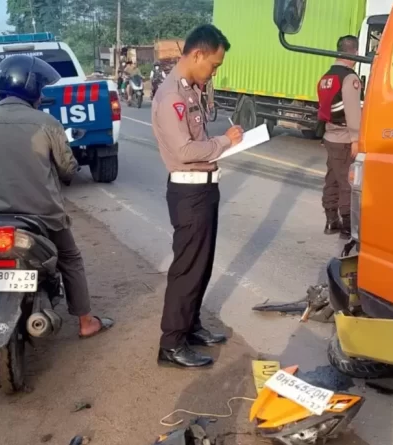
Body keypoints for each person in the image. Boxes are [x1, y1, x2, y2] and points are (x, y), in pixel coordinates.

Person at [0, 54, 115, 340]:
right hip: (44, 214)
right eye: (40, 89)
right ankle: (85, 321)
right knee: (70, 258)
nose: (41, 95)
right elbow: (67, 169)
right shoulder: (47, 123)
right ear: (31, 89)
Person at [151, 24, 243, 368]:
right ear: (198, 54)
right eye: (214, 65)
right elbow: (185, 149)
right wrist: (225, 142)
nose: (214, 71)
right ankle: (171, 343)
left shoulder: (190, 90)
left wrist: (223, 141)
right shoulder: (172, 96)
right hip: (189, 191)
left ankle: (190, 326)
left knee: (201, 266)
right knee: (187, 269)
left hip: (203, 188)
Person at [316, 35, 362, 239]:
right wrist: (356, 139)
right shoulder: (349, 78)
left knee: (332, 179)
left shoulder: (327, 77)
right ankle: (347, 225)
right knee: (346, 183)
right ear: (355, 53)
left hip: (330, 135)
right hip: (344, 138)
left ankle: (331, 220)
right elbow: (352, 111)